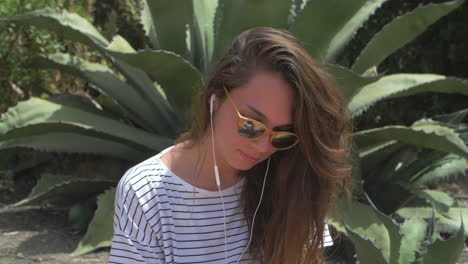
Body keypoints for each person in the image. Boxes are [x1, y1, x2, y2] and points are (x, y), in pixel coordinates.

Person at [109, 27, 352, 264]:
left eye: (282, 135)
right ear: (215, 99)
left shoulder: (291, 177)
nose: (263, 147)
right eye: (251, 125)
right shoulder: (146, 192)